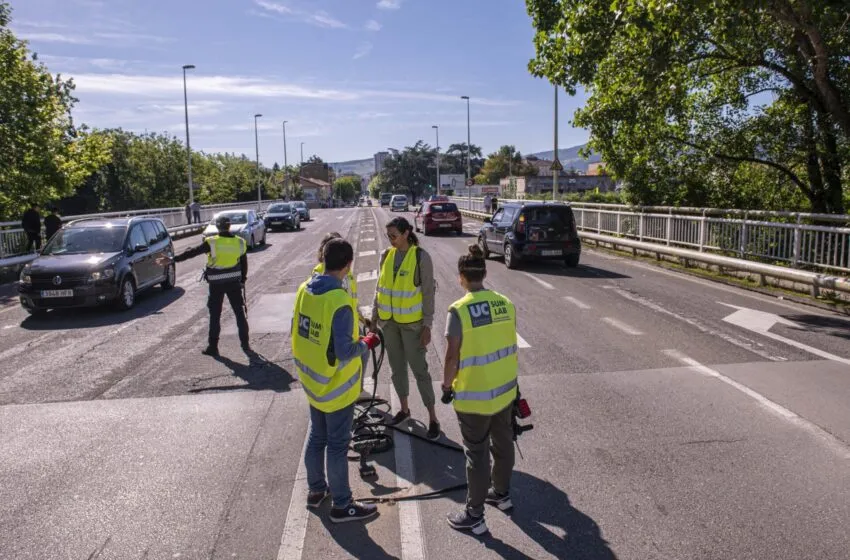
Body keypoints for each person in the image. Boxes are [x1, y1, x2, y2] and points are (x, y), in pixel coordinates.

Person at [292, 238, 380, 523]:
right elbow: (345, 351)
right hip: (335, 388)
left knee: (317, 437)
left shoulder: (305, 289)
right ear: (348, 264)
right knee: (338, 446)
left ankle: (316, 490)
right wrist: (367, 342)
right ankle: (342, 505)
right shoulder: (339, 301)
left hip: (311, 380)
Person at [441, 244, 519, 535]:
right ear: (484, 273)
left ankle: (474, 514)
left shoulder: (459, 311)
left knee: (476, 453)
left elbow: (452, 355)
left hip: (475, 396)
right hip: (505, 391)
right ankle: (501, 494)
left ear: (461, 277)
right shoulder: (505, 303)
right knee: (503, 444)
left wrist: (447, 386)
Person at [369, 216, 440, 440]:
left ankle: (433, 418)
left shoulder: (421, 258)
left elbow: (428, 294)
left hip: (412, 326)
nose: (390, 240)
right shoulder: (385, 256)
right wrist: (373, 317)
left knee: (420, 371)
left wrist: (427, 325)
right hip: (389, 325)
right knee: (397, 369)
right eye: (388, 236)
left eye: (394, 236)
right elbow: (379, 289)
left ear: (407, 233)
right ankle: (404, 409)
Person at [173, 215, 258, 364]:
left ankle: (213, 347)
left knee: (215, 315)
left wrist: (174, 259)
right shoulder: (240, 242)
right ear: (229, 226)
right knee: (239, 313)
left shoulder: (211, 242)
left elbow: (192, 252)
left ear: (217, 227)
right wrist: (243, 280)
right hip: (234, 283)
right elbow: (244, 264)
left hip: (216, 284)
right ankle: (245, 345)